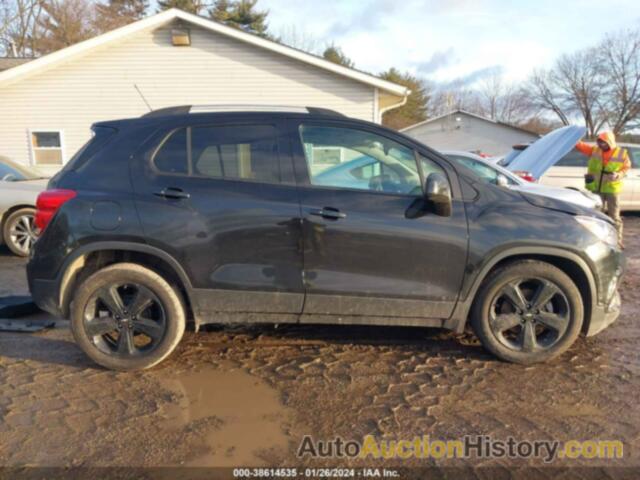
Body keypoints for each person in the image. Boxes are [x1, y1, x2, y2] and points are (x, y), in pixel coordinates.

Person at [575, 131, 630, 247]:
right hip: (596, 188)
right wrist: (571, 137)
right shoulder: (594, 150)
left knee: (614, 216)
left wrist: (617, 175)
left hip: (612, 189)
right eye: (599, 142)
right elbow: (580, 145)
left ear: (609, 142)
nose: (601, 145)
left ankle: (617, 241)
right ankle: (597, 240)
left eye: (603, 143)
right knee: (595, 215)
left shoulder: (621, 153)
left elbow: (626, 168)